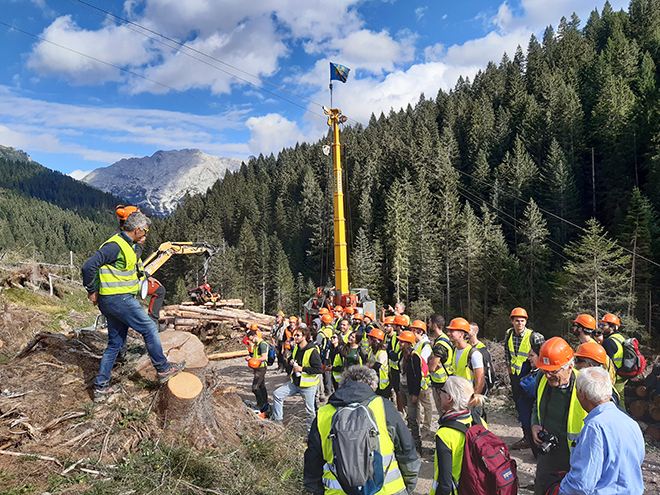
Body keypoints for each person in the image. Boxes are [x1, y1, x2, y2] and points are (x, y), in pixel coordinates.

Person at [82, 211, 185, 402]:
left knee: (114, 344)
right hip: (119, 300)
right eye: (145, 231)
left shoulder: (129, 246)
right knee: (149, 328)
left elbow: (132, 269)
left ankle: (101, 388)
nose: (146, 235)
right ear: (137, 229)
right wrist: (91, 290)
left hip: (113, 300)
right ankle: (163, 369)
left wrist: (145, 277)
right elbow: (88, 267)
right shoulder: (115, 246)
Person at [303, 365, 420, 495]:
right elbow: (407, 451)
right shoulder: (383, 406)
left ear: (343, 384)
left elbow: (312, 463)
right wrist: (408, 487)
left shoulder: (323, 414)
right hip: (389, 490)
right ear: (372, 385)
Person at [557, 367, 644, 495]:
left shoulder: (594, 428)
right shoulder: (630, 422)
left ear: (582, 394)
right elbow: (637, 460)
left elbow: (582, 483)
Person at [531, 337, 587, 495]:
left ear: (570, 367)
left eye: (553, 371)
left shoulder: (583, 385)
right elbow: (536, 403)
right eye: (545, 370)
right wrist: (535, 423)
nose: (548, 375)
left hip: (575, 459)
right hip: (547, 454)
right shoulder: (541, 379)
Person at [430, 376, 486, 495]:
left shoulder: (445, 434)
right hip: (477, 488)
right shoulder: (480, 423)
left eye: (442, 391)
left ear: (450, 398)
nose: (440, 394)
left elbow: (445, 484)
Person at [505, 307, 545, 450]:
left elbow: (543, 353)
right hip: (516, 376)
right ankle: (527, 436)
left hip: (531, 375)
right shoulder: (509, 334)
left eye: (522, 321)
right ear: (512, 321)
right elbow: (507, 350)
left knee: (532, 405)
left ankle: (535, 436)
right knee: (520, 404)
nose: (520, 323)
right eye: (517, 321)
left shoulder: (534, 336)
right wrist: (509, 367)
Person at [272, 325, 323, 431]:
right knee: (277, 394)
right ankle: (278, 422)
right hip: (295, 383)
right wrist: (291, 362)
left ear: (305, 336)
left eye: (298, 335)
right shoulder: (296, 349)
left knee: (310, 412)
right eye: (294, 335)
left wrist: (302, 369)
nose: (295, 337)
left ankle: (312, 434)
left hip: (308, 386)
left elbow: (319, 369)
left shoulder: (312, 351)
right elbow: (292, 359)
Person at [512, 336, 544, 457]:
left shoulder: (541, 374)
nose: (528, 358)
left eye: (532, 356)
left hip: (532, 417)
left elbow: (525, 386)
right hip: (526, 415)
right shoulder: (532, 369)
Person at [397, 330, 424, 456]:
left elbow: (418, 376)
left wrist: (415, 394)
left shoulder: (414, 356)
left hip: (410, 390)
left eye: (402, 341)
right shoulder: (401, 354)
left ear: (409, 343)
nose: (399, 343)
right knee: (408, 416)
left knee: (413, 418)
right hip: (402, 387)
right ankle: (408, 443)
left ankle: (417, 447)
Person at [445, 318, 485, 395]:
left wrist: (472, 401)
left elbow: (480, 383)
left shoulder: (474, 354)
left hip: (468, 397)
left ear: (461, 334)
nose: (448, 333)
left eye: (452, 331)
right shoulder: (454, 350)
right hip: (457, 395)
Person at [410, 320, 434, 434]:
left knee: (426, 404)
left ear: (420, 332)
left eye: (414, 331)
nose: (412, 333)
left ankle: (427, 425)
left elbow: (423, 363)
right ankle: (418, 422)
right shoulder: (416, 344)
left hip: (423, 380)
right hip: (416, 379)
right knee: (417, 404)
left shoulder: (426, 345)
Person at [428, 314, 453, 416]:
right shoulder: (444, 339)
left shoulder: (440, 345)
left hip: (441, 384)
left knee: (444, 413)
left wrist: (430, 362)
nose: (427, 325)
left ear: (434, 325)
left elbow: (431, 368)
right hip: (445, 382)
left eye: (429, 323)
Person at [599, 313, 628, 398]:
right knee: (621, 402)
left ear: (612, 328)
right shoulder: (620, 338)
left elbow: (605, 364)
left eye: (603, 325)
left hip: (614, 380)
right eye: (601, 324)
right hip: (622, 378)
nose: (601, 326)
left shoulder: (609, 342)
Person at [245, 329, 269, 413]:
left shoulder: (262, 344)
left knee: (255, 388)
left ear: (255, 336)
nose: (251, 341)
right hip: (257, 368)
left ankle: (260, 404)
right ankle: (265, 404)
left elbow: (264, 357)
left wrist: (253, 359)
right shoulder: (256, 344)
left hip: (261, 369)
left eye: (251, 339)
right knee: (261, 386)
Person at [366, 328, 391, 398]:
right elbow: (367, 363)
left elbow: (376, 366)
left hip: (382, 384)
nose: (368, 340)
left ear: (375, 340)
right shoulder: (371, 350)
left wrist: (370, 365)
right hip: (373, 381)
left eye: (369, 339)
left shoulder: (382, 352)